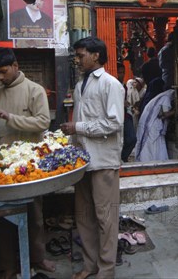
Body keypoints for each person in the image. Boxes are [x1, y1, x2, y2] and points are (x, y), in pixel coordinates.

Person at [0, 48, 55, 275]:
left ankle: (37, 258)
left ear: (15, 65)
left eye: (3, 72)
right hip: (3, 166)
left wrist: (10, 118)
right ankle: (8, 266)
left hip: (30, 164)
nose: (0, 77)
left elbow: (43, 122)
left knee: (33, 215)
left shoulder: (35, 91)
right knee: (2, 217)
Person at [60, 37, 125, 279]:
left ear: (96, 55)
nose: (77, 60)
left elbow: (114, 123)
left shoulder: (111, 84)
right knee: (84, 217)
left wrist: (79, 128)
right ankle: (89, 266)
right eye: (76, 56)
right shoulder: (80, 85)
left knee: (105, 218)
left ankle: (106, 271)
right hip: (83, 160)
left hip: (104, 161)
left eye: (81, 55)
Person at [135, 89, 175, 162]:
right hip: (152, 125)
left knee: (152, 146)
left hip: (150, 124)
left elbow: (161, 115)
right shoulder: (166, 97)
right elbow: (165, 113)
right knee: (151, 146)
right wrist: (175, 111)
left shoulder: (161, 96)